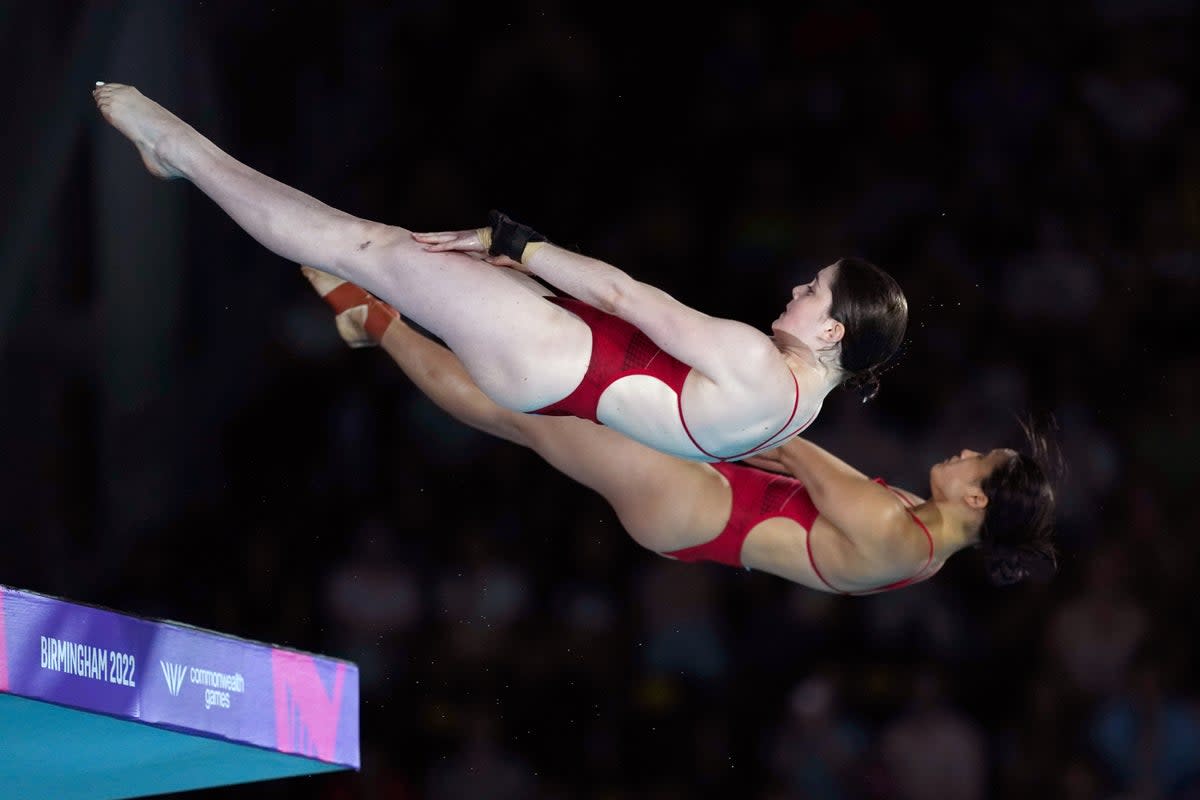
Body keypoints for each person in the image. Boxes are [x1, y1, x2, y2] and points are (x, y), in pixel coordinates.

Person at [92, 82, 907, 463]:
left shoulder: (758, 365)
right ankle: (347, 293)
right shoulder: (801, 410)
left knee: (361, 246)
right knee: (371, 251)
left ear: (834, 328)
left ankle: (179, 153)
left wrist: (514, 243)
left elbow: (629, 295)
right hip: (559, 363)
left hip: (555, 347)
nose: (796, 290)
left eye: (813, 291)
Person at [302, 266, 1058, 592]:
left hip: (694, 503)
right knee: (535, 409)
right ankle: (389, 316)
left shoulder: (904, 541)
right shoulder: (920, 541)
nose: (961, 453)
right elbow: (801, 464)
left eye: (977, 461)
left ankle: (376, 320)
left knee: (518, 414)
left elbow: (794, 446)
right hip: (709, 493)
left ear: (980, 500)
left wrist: (725, 422)